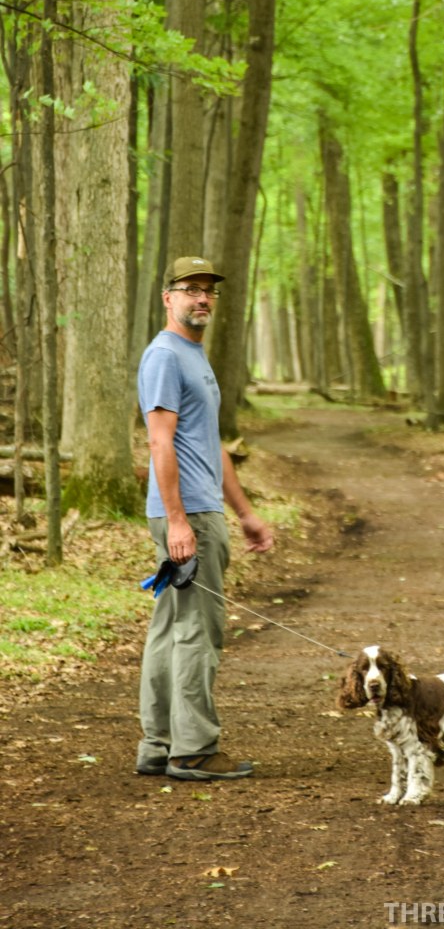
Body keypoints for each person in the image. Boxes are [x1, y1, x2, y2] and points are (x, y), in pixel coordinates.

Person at [136, 255, 273, 781]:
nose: (201, 298)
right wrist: (177, 520)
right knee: (197, 630)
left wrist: (244, 512)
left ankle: (158, 744)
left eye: (208, 291)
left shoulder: (193, 355)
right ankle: (192, 749)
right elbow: (159, 440)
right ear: (168, 297)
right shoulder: (165, 356)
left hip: (201, 508)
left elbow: (209, 445)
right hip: (186, 511)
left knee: (171, 626)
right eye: (190, 289)